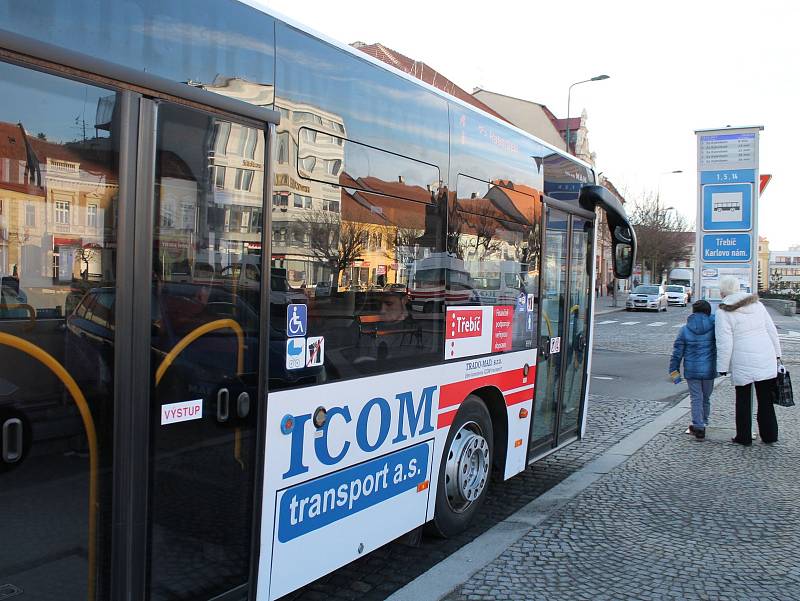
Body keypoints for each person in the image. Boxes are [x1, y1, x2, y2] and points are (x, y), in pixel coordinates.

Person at [715, 275, 782, 446]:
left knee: (743, 399)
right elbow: (771, 330)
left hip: (742, 359)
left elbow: (724, 342)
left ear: (722, 293)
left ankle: (743, 437)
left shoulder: (724, 311)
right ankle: (769, 435)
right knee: (766, 399)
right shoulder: (757, 304)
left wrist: (722, 367)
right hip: (765, 354)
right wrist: (777, 355)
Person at [669, 300, 716, 440]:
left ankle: (698, 426)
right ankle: (704, 421)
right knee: (706, 397)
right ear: (708, 312)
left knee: (696, 398)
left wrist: (674, 372)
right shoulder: (714, 328)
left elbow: (677, 353)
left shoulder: (684, 329)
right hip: (709, 369)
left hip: (692, 369)